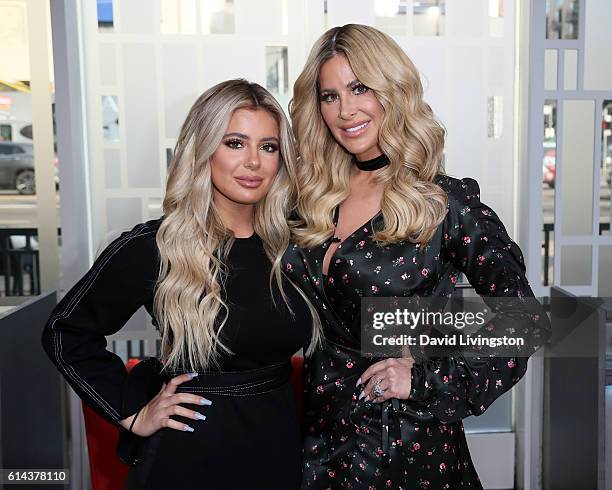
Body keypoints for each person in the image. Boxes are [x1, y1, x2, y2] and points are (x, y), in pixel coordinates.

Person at [283, 24, 550, 489]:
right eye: (330, 96)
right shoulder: (310, 200)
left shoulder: (444, 203)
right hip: (320, 441)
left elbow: (523, 319)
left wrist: (426, 378)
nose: (346, 110)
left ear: (393, 90)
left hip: (406, 444)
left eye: (360, 87)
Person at [41, 79, 320, 490]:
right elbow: (65, 332)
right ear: (203, 148)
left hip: (279, 449)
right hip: (188, 456)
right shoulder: (154, 246)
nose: (253, 163)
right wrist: (133, 413)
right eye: (235, 143)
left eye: (268, 147)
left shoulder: (294, 247)